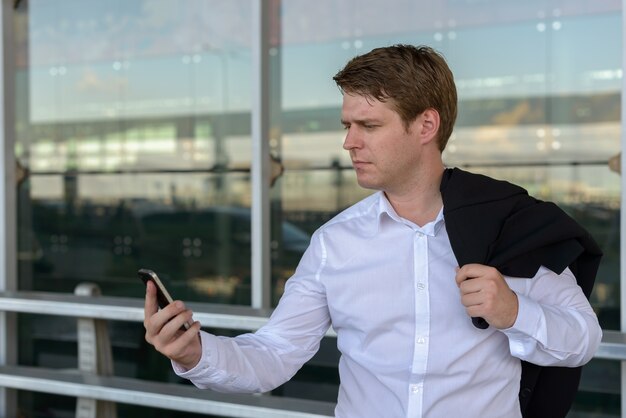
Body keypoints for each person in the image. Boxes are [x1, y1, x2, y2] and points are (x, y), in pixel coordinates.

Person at [144, 44, 603, 418]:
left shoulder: (508, 226)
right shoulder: (334, 244)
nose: (349, 142)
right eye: (347, 125)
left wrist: (513, 310)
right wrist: (194, 354)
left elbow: (583, 339)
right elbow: (275, 355)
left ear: (426, 125)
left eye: (368, 125)